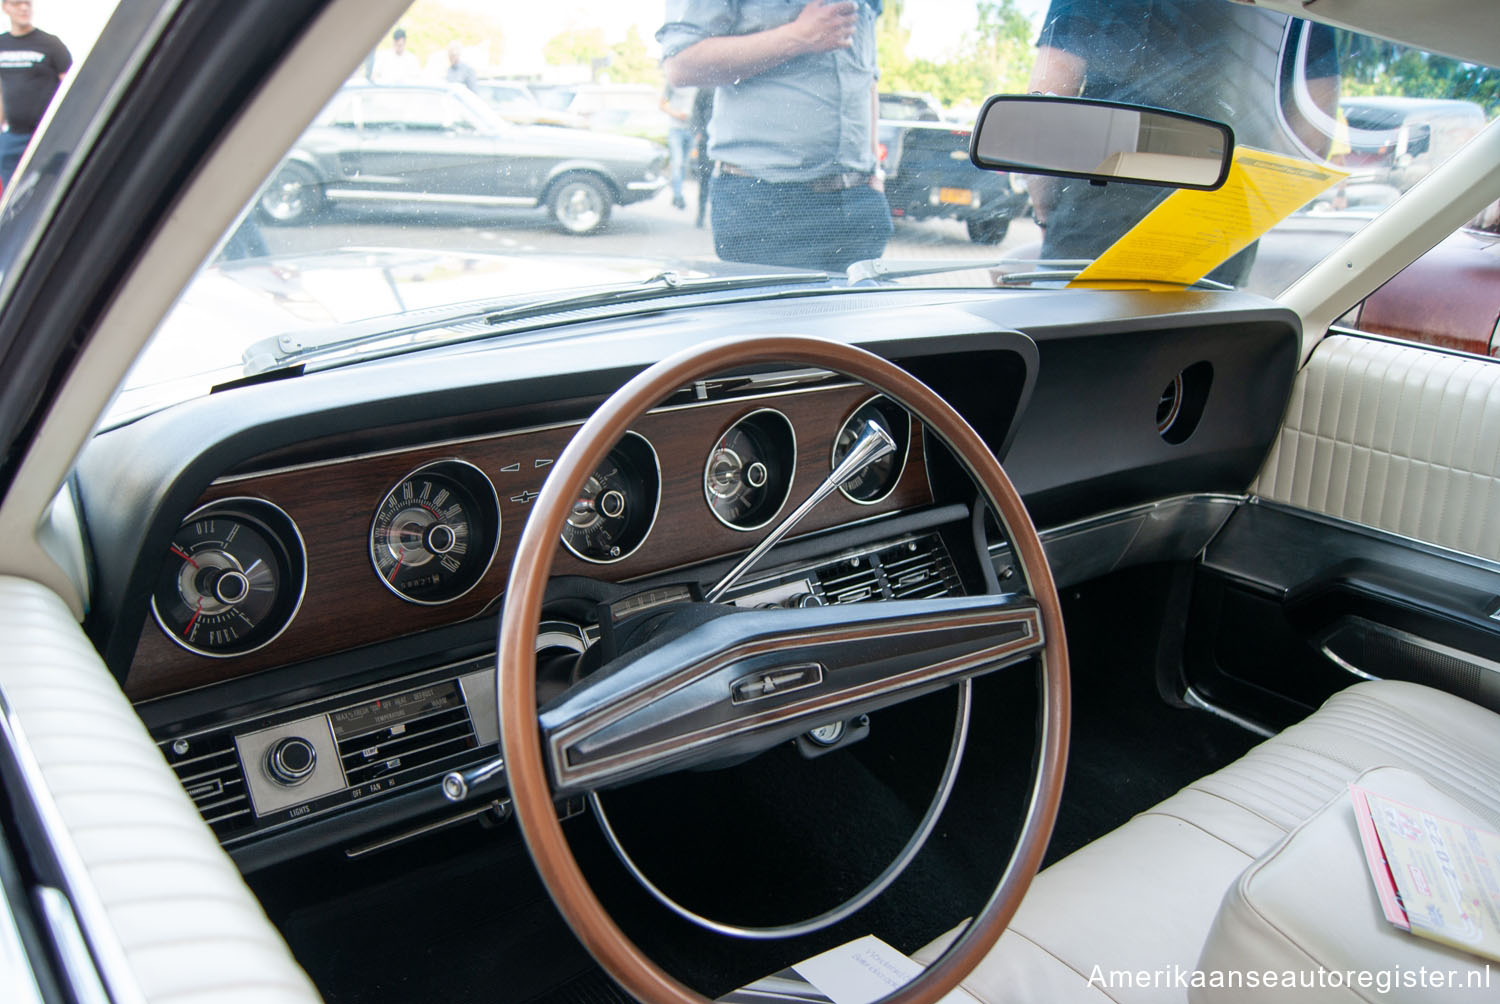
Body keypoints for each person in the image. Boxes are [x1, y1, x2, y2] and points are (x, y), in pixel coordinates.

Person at [1027, 0, 1339, 286]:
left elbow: (1044, 117)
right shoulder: (1297, 5)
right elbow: (1311, 138)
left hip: (1091, 233)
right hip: (1215, 242)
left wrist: (1046, 213)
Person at [658, 0, 891, 273]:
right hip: (766, 202)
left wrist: (874, 172)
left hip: (859, 200)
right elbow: (681, 64)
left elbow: (867, 79)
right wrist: (799, 36)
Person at [0, 0, 70, 183]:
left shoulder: (50, 44)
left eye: (27, 3)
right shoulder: (2, 44)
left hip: (45, 135)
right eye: (17, 3)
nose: (24, 8)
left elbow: (69, 88)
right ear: (5, 7)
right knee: (11, 194)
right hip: (13, 136)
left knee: (48, 187)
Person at [659, 81, 697, 210]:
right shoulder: (674, 82)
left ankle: (677, 191)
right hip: (676, 129)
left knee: (684, 164)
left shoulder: (698, 82)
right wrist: (677, 114)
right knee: (678, 162)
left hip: (692, 129)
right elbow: (662, 104)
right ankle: (678, 195)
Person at [690, 86, 715, 228]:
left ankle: (713, 216)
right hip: (706, 139)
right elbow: (696, 109)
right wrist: (698, 132)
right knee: (704, 179)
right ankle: (700, 216)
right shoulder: (707, 85)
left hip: (723, 140)